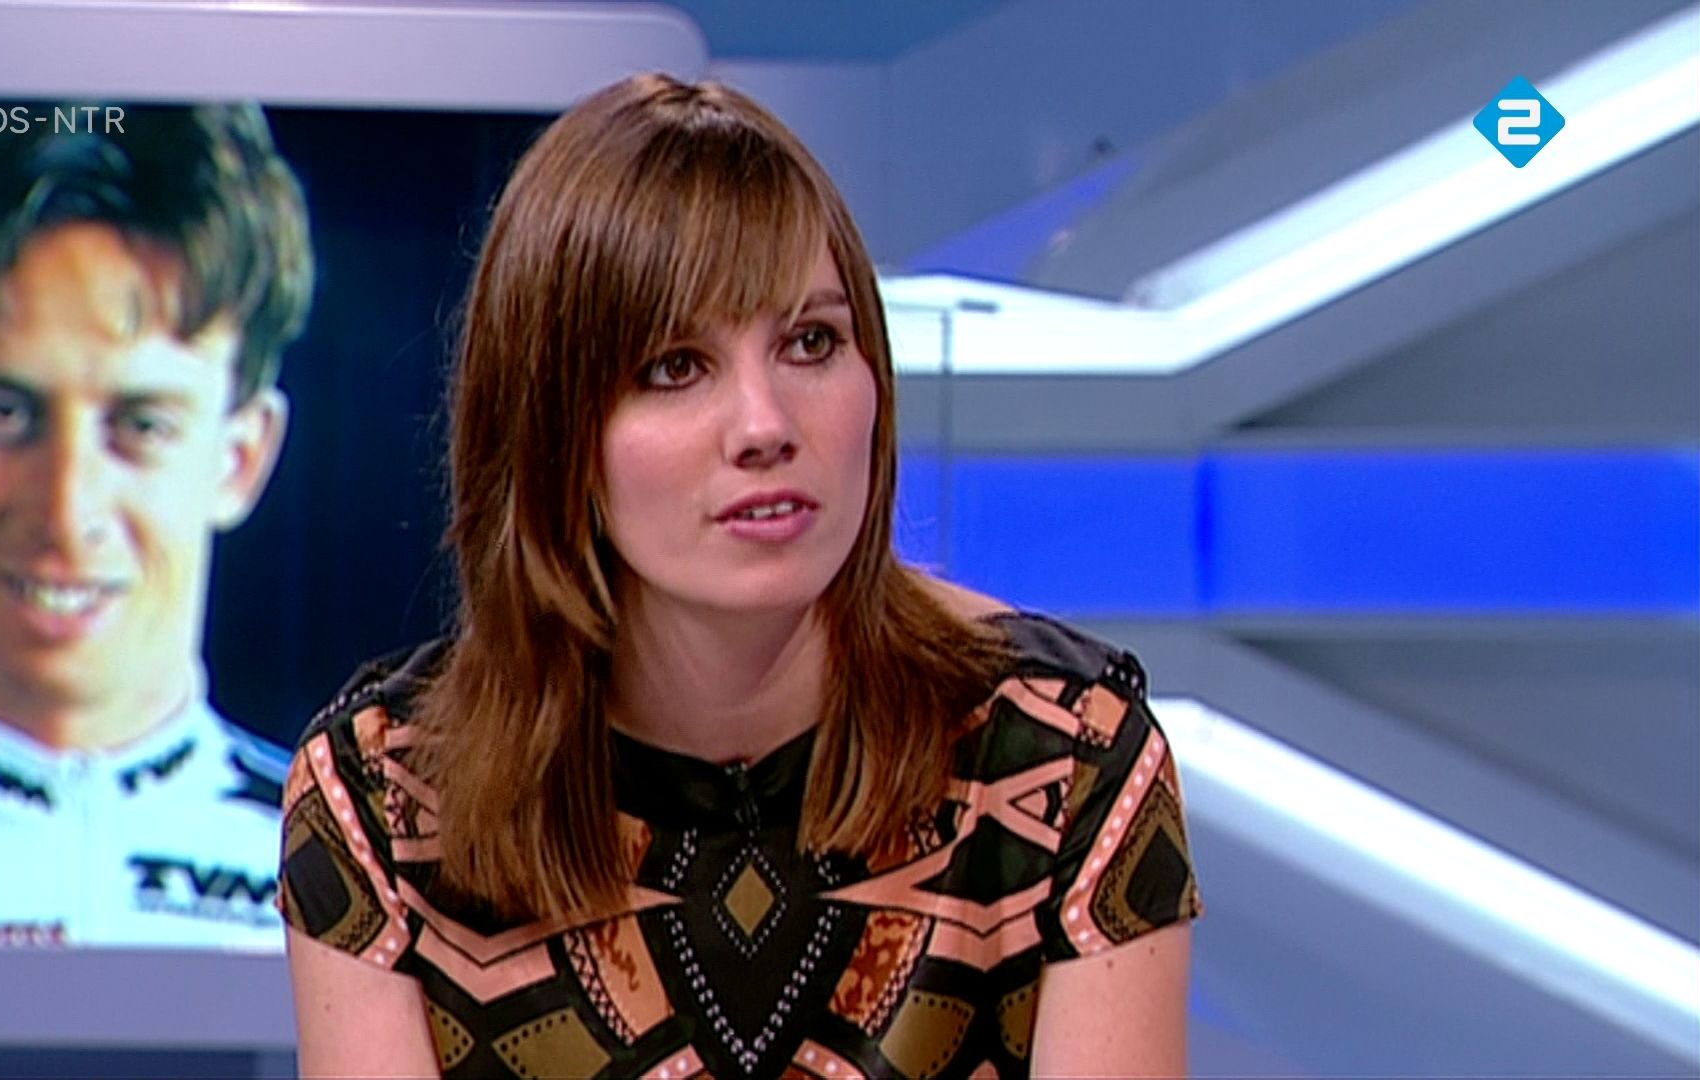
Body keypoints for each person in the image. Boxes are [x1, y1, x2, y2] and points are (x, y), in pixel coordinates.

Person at [280, 73, 1201, 1077]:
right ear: (552, 431)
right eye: (676, 365)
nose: (766, 426)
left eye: (811, 342)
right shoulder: (387, 800)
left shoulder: (1064, 762)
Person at [0, 102, 315, 950]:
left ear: (241, 457)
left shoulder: (369, 873)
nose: (67, 515)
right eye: (6, 413)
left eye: (140, 425)